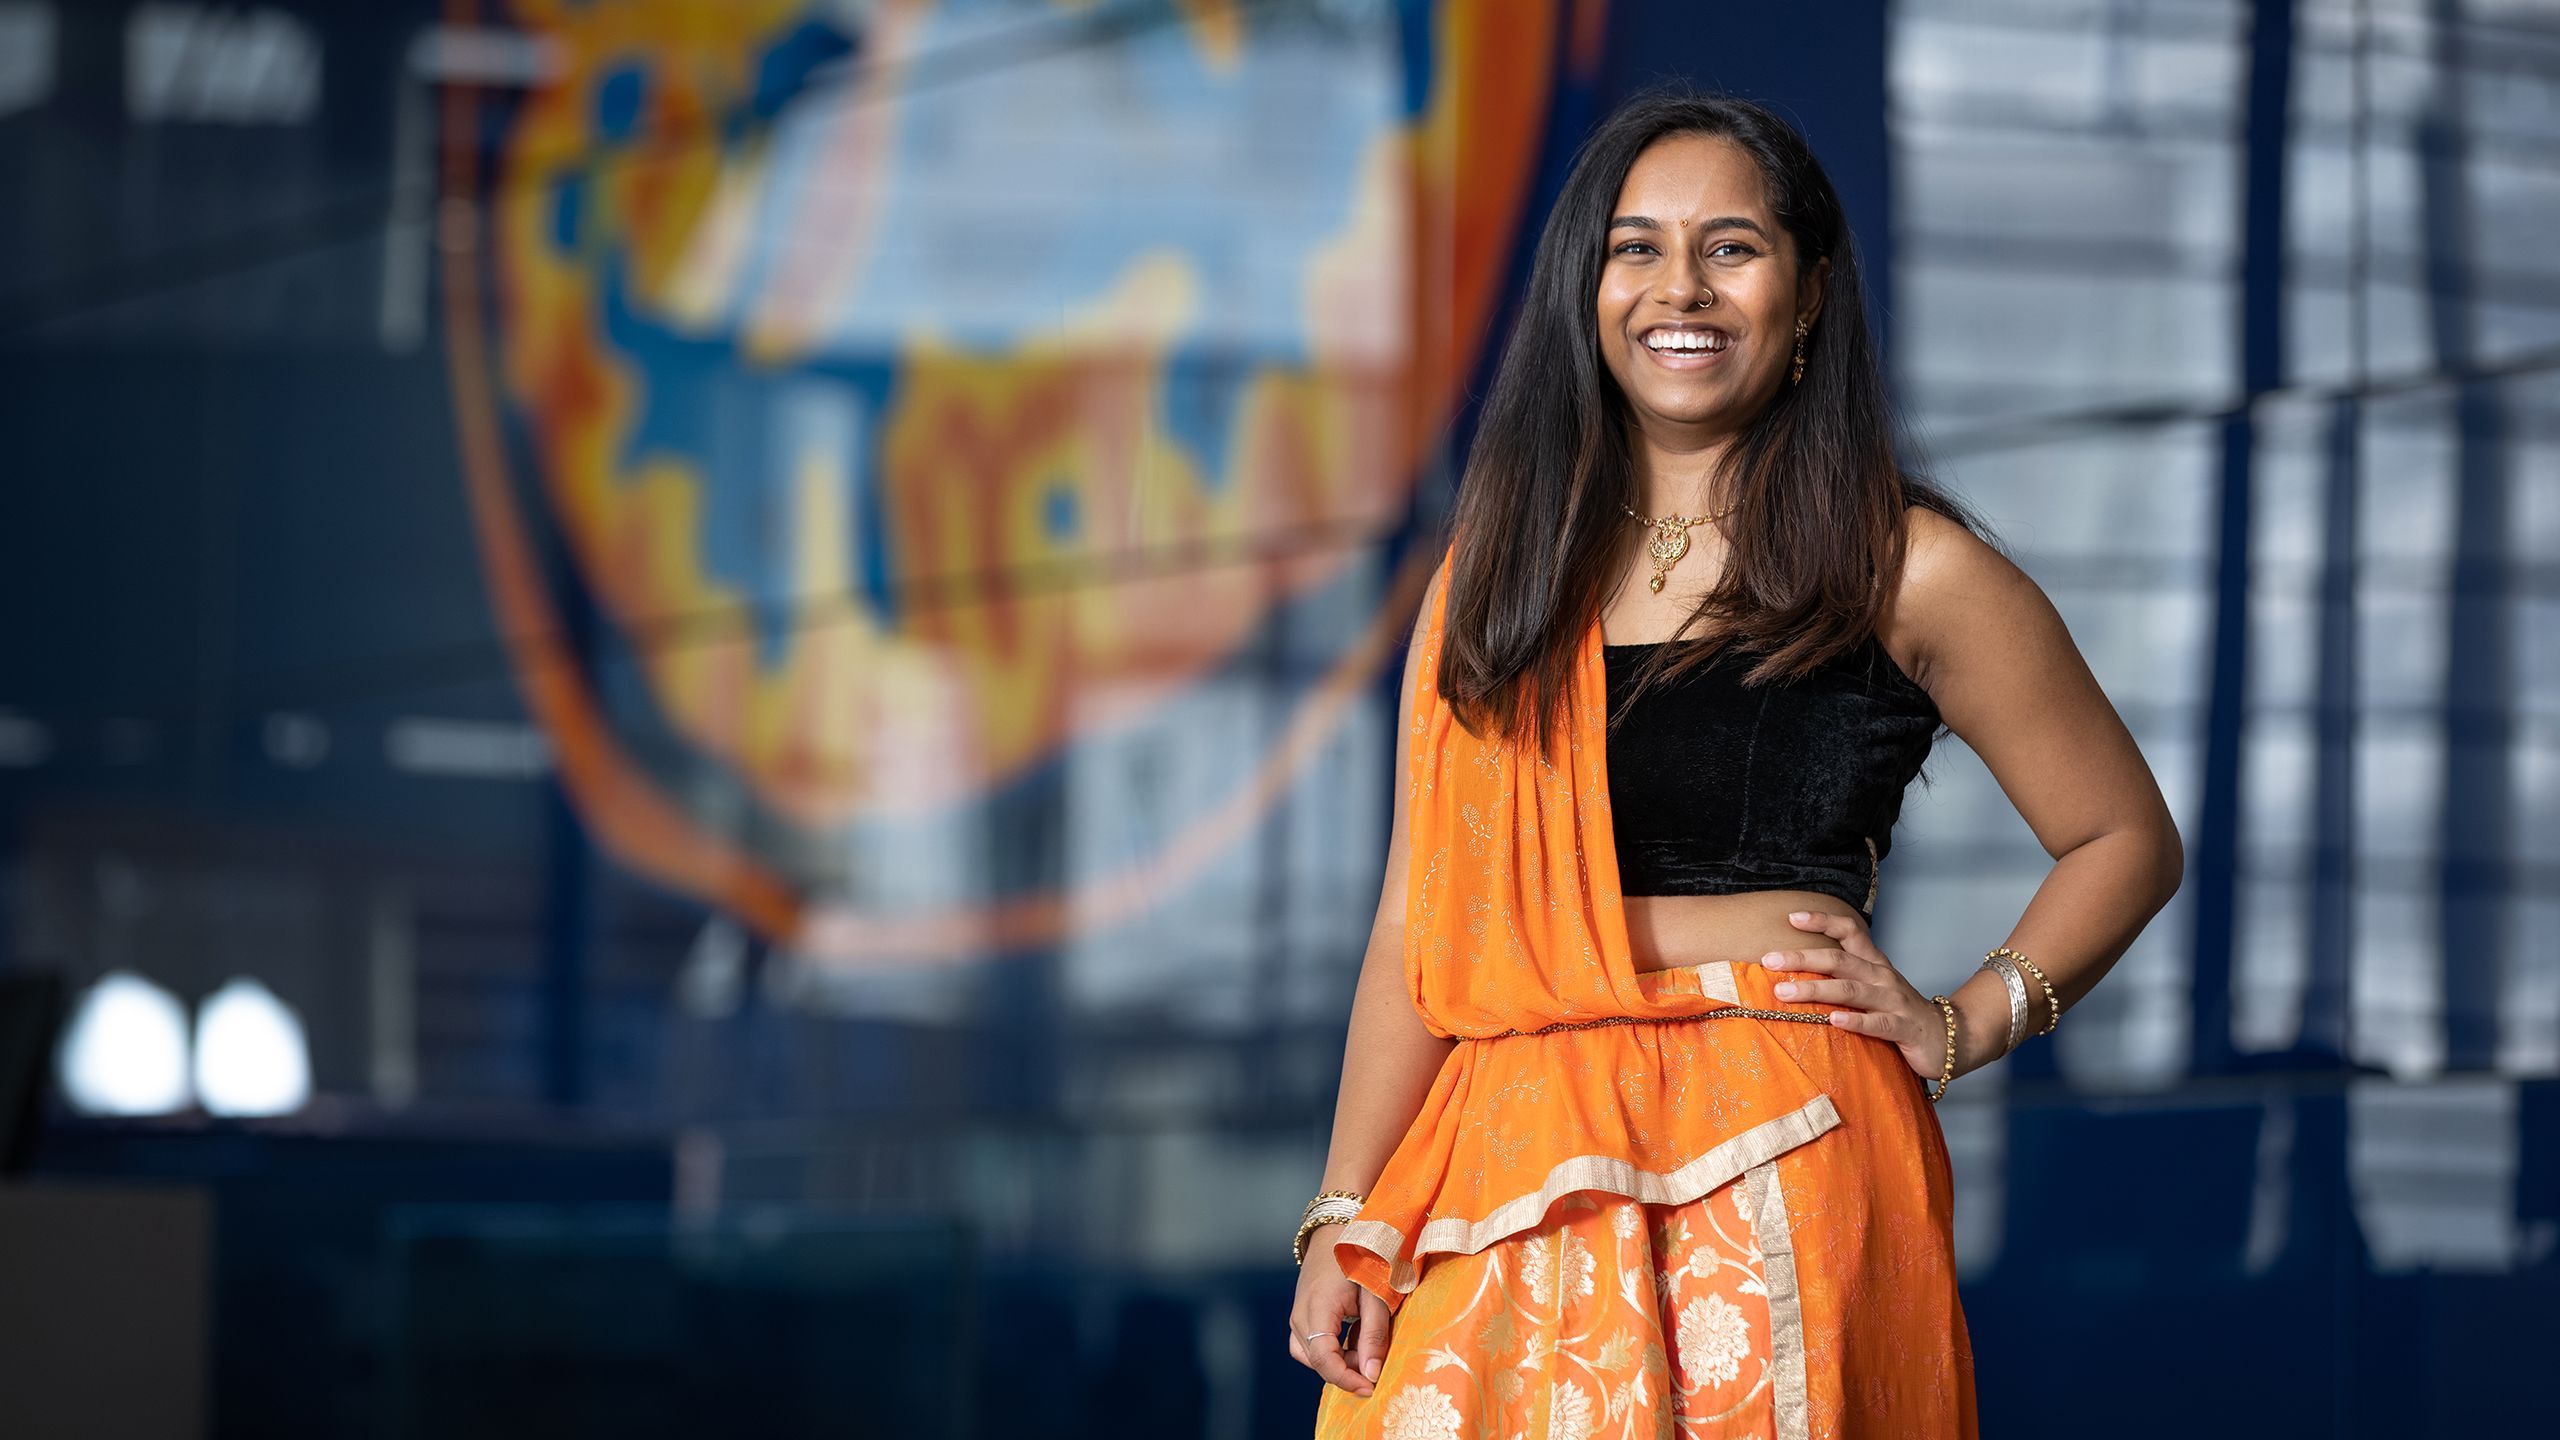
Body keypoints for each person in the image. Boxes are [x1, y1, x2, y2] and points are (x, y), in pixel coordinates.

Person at [1286, 88, 2184, 1438]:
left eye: (1733, 246)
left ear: (1810, 291)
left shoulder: (1903, 565)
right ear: (1586, 288)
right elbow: (1426, 920)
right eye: (1634, 247)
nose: (1678, 287)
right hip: (1504, 1160)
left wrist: (1965, 1022)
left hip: (1776, 1148)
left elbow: (2125, 836)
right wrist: (1347, 1210)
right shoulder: (1493, 583)